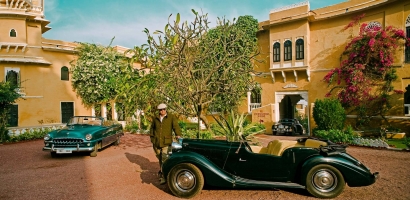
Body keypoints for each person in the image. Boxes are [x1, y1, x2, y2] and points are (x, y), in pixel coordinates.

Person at [150, 103, 182, 184]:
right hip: (156, 143)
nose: (162, 111)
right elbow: (152, 129)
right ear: (159, 111)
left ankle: (164, 177)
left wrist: (178, 135)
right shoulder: (155, 118)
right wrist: (152, 138)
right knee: (160, 159)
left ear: (166, 109)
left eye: (164, 109)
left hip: (166, 142)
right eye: (161, 110)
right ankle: (162, 172)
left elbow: (176, 127)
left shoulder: (171, 117)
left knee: (165, 159)